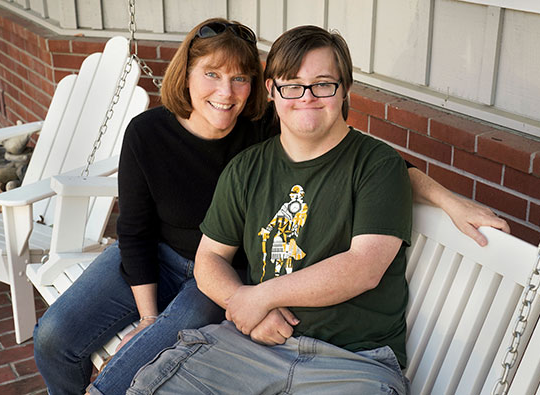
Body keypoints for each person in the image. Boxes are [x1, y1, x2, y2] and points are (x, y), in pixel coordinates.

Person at [33, 18, 509, 395]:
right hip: (173, 272)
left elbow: (374, 190)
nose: (225, 92)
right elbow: (145, 236)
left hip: (298, 332)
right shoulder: (166, 137)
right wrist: (152, 317)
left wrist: (449, 200)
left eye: (240, 79)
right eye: (212, 75)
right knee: (54, 337)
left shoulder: (275, 134)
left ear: (344, 91)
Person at [125, 25, 412, 394]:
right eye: (292, 84)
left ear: (345, 90)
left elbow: (363, 269)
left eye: (323, 83)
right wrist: (245, 310)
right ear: (272, 91)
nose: (307, 97)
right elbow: (209, 257)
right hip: (250, 348)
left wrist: (258, 298)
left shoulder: (378, 165)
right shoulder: (247, 168)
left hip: (352, 363)